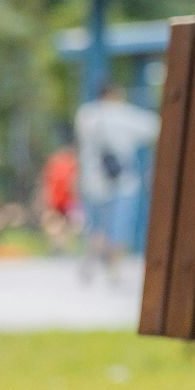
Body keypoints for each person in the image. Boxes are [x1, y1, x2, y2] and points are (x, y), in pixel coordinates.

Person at [73, 83, 160, 287]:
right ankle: (114, 270)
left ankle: (89, 263)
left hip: (92, 181)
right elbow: (154, 128)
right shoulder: (124, 114)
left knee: (97, 227)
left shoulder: (86, 115)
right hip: (122, 181)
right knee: (119, 226)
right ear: (115, 95)